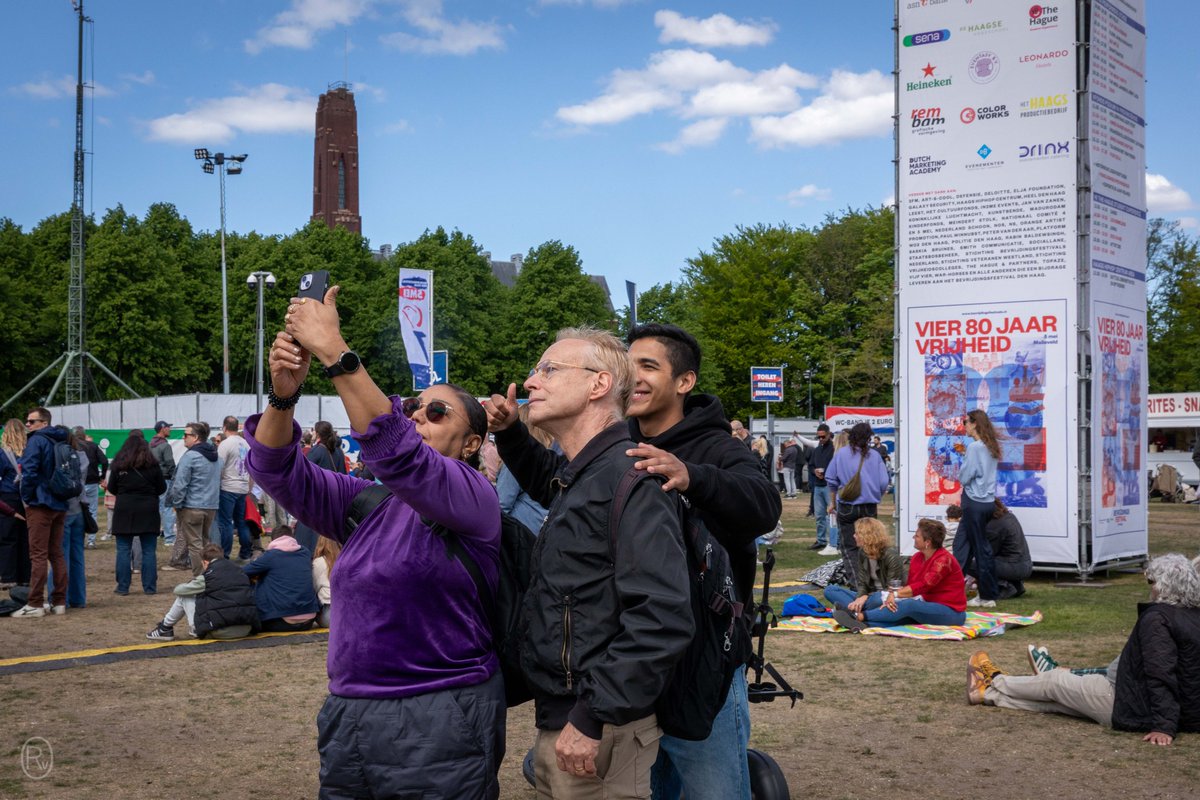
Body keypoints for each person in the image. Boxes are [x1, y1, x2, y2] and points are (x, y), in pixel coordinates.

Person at [247, 285, 504, 799]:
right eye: (413, 407)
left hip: (440, 712)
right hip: (350, 711)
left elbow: (399, 453)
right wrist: (283, 395)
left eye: (437, 413)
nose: (417, 416)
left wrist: (336, 354)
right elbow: (276, 470)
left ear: (473, 443)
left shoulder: (473, 497)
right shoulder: (370, 502)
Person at [487, 326, 692, 800]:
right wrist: (511, 431)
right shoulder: (585, 473)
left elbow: (661, 616)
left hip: (600, 728)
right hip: (570, 719)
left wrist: (593, 715)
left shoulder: (631, 479)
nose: (532, 381)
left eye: (550, 369)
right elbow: (549, 479)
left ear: (599, 385)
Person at [618, 322, 779, 800]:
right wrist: (515, 440)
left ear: (684, 382)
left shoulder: (718, 447)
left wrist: (692, 477)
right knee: (652, 787)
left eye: (649, 366)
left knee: (716, 792)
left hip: (705, 658)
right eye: (629, 366)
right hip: (639, 654)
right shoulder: (616, 443)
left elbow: (763, 504)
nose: (635, 376)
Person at [967, 554, 1200, 746]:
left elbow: (1160, 672)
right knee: (1057, 703)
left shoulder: (1158, 618)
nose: (1149, 589)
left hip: (1127, 701)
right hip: (1154, 704)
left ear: (1163, 586)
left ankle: (994, 681)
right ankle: (988, 695)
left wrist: (1164, 725)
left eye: (1151, 583)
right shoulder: (1191, 616)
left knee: (1054, 682)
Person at [833, 518, 966, 630]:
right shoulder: (917, 557)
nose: (914, 537)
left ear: (927, 542)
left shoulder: (943, 560)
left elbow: (924, 585)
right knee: (902, 612)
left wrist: (895, 595)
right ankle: (864, 624)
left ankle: (858, 615)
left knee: (907, 606)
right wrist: (895, 597)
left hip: (951, 611)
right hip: (924, 604)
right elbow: (912, 586)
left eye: (917, 536)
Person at [13, 408, 70, 618]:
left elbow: (29, 472)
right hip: (59, 503)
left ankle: (35, 602)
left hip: (40, 503)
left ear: (43, 422)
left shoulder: (37, 441)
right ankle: (59, 601)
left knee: (37, 555)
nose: (27, 425)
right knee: (56, 553)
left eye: (31, 421)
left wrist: (27, 498)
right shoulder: (62, 440)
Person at [146, 543, 260, 641]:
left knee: (185, 596)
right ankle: (164, 628)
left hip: (221, 631)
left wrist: (193, 582)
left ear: (205, 562)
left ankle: (164, 628)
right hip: (246, 627)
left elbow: (179, 590)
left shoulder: (208, 577)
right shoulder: (240, 571)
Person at [825, 422, 890, 587]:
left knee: (849, 547)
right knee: (872, 546)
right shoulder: (875, 456)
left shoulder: (841, 454)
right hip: (869, 506)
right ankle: (873, 581)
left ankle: (857, 584)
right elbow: (884, 481)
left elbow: (830, 478)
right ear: (868, 438)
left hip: (848, 505)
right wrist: (876, 493)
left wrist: (837, 490)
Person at [108, 431, 166, 596]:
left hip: (124, 509)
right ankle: (149, 587)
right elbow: (162, 488)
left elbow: (112, 488)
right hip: (148, 508)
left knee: (123, 549)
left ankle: (123, 587)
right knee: (149, 550)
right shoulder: (152, 465)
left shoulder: (119, 465)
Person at [955, 409, 1002, 607]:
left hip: (974, 501)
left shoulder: (975, 447)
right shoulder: (989, 446)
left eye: (965, 421)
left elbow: (965, 476)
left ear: (974, 423)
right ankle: (954, 589)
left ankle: (987, 595)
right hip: (985, 502)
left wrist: (965, 461)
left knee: (979, 549)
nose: (964, 425)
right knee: (961, 545)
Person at [166, 422, 220, 575]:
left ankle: (200, 578)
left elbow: (180, 484)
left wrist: (176, 503)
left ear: (195, 437)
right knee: (205, 542)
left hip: (192, 506)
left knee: (195, 545)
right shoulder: (216, 456)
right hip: (210, 506)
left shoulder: (190, 456)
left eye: (186, 435)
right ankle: (210, 574)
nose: (183, 438)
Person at [243, 523, 319, 632]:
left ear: (273, 540)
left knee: (259, 580)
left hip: (280, 620)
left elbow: (243, 572)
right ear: (292, 537)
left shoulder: (270, 556)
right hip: (309, 620)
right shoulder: (305, 553)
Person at [823, 517, 906, 614]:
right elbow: (862, 583)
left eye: (857, 533)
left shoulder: (891, 556)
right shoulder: (863, 552)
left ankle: (853, 611)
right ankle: (858, 611)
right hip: (868, 596)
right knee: (830, 590)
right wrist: (861, 597)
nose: (854, 536)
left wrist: (865, 597)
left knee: (877, 600)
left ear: (867, 536)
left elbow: (891, 589)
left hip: (884, 597)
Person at [496, 404, 552, 534]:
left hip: (521, 533)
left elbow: (501, 504)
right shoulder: (549, 458)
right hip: (541, 529)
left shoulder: (517, 459)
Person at [292, 420, 346, 552]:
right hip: (335, 499)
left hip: (316, 499)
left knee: (310, 535)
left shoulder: (316, 451)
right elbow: (344, 475)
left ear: (317, 433)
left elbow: (304, 475)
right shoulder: (338, 451)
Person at [55, 428, 90, 608]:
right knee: (77, 557)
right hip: (79, 508)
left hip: (63, 509)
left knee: (60, 556)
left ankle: (60, 598)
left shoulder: (57, 455)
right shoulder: (81, 456)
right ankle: (78, 598)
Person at [216, 416, 254, 561]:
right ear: (237, 427)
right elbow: (251, 469)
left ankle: (225, 555)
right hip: (243, 488)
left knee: (225, 523)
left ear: (224, 427)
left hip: (228, 487)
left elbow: (219, 467)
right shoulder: (246, 444)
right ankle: (245, 553)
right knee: (241, 522)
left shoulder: (225, 444)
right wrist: (249, 488)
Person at [0, 418, 30, 590]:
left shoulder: (3, 454)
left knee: (7, 538)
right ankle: (25, 576)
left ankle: (8, 577)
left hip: (8, 497)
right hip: (27, 498)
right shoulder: (29, 452)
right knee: (26, 538)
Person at [984, 501, 1032, 600]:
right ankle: (1016, 586)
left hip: (1013, 566)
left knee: (977, 564)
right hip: (1025, 564)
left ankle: (1005, 586)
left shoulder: (994, 525)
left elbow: (989, 553)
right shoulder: (1010, 517)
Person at [75, 426, 108, 549]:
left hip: (77, 484)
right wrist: (102, 476)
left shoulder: (71, 446)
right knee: (92, 511)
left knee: (76, 511)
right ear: (84, 435)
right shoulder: (92, 446)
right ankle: (91, 541)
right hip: (92, 482)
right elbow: (104, 461)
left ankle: (80, 540)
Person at [805, 424, 837, 552]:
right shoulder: (817, 450)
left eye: (823, 436)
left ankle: (834, 541)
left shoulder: (834, 449)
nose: (821, 439)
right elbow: (811, 465)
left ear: (829, 434)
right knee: (819, 515)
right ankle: (821, 540)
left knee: (832, 516)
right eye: (819, 437)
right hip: (818, 486)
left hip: (829, 486)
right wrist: (814, 472)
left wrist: (826, 473)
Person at [149, 421, 177, 548]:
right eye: (168, 427)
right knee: (167, 508)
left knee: (157, 507)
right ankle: (169, 537)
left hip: (153, 479)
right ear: (162, 429)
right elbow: (170, 463)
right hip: (165, 478)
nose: (170, 429)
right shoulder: (165, 445)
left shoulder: (150, 444)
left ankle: (157, 532)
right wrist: (174, 477)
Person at [312, 535, 341, 628]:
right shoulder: (345, 560)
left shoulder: (318, 562)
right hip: (346, 611)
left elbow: (314, 587)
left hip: (329, 614)